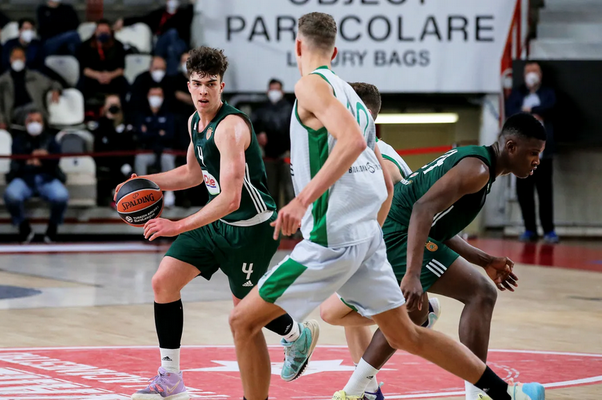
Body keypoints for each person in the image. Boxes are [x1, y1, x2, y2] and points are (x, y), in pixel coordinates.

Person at [228, 12, 546, 400]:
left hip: (331, 241)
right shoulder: (355, 102)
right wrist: (372, 233)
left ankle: (304, 348)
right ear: (335, 51)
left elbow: (351, 143)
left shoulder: (310, 85)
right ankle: (505, 394)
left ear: (298, 46)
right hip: (365, 240)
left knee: (242, 321)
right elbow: (383, 182)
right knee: (408, 334)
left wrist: (301, 199)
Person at [116, 46, 312, 400]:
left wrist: (177, 225)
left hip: (250, 229)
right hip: (214, 222)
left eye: (211, 83)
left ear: (222, 86)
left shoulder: (231, 128)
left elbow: (232, 199)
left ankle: (297, 335)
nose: (203, 91)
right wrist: (144, 182)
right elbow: (192, 174)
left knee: (245, 314)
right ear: (188, 86)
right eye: (197, 84)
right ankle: (171, 377)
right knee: (163, 282)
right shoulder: (195, 121)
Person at [320, 82, 528, 400]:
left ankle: (359, 391)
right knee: (340, 314)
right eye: (534, 153)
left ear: (365, 114)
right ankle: (361, 388)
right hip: (380, 241)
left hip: (386, 240)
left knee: (469, 295)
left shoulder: (379, 155)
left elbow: (423, 217)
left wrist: (419, 271)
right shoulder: (475, 166)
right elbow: (421, 213)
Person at [506, 62, 558, 243]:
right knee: (524, 193)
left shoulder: (547, 92)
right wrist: (529, 114)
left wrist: (531, 110)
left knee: (545, 193)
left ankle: (549, 230)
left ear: (540, 74)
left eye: (535, 71)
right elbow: (511, 110)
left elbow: (551, 107)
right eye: (528, 71)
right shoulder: (518, 93)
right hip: (522, 154)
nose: (531, 74)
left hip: (544, 153)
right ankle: (530, 229)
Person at [4, 110, 68, 243]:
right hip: (24, 178)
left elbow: (56, 160)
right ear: (25, 123)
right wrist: (35, 159)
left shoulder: (50, 139)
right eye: (31, 121)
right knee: (11, 195)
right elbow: (18, 161)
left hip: (47, 178)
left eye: (38, 121)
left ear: (43, 123)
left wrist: (43, 158)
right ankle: (23, 227)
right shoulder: (18, 140)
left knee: (61, 196)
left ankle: (52, 228)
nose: (34, 124)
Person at [113, 0, 192, 75]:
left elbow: (187, 30)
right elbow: (142, 19)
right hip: (160, 45)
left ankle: (171, 76)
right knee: (172, 35)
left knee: (172, 47)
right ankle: (170, 72)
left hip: (178, 45)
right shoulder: (159, 14)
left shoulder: (183, 14)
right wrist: (124, 21)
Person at [0, 47, 62, 130]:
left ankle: (37, 126)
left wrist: (55, 90)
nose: (18, 60)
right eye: (15, 58)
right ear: (10, 59)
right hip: (16, 111)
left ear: (24, 59)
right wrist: (0, 121)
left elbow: (54, 83)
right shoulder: (2, 80)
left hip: (36, 108)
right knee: (33, 114)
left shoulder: (35, 76)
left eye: (20, 58)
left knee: (36, 113)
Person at [251, 78, 293, 208]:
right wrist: (258, 133)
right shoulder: (261, 110)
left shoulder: (289, 109)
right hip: (268, 156)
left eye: (277, 89)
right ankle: (273, 217)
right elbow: (251, 126)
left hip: (286, 155)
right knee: (270, 190)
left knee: (289, 190)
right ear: (268, 91)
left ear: (282, 92)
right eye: (272, 89)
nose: (274, 92)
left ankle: (289, 218)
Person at [134, 86, 177, 207]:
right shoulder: (142, 114)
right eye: (153, 95)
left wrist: (150, 131)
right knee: (140, 158)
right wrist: (159, 132)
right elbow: (141, 136)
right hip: (148, 150)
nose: (155, 98)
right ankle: (142, 193)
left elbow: (170, 135)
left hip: (164, 150)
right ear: (148, 96)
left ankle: (169, 193)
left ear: (163, 97)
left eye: (158, 95)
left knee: (167, 158)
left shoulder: (168, 114)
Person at [93, 94, 135, 206]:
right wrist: (108, 121)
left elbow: (129, 143)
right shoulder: (101, 123)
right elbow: (101, 143)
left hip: (124, 156)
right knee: (114, 154)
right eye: (110, 105)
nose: (113, 108)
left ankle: (122, 194)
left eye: (116, 105)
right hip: (105, 157)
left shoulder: (126, 121)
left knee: (120, 152)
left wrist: (118, 121)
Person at [76, 19, 128, 104]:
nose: (103, 34)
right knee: (82, 83)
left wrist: (110, 76)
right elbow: (84, 69)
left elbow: (121, 69)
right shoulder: (85, 45)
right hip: (93, 77)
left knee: (124, 83)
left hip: (112, 77)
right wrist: (98, 76)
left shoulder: (118, 45)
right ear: (95, 32)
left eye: (106, 31)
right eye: (100, 31)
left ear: (110, 32)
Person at [127, 56, 176, 121]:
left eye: (162, 69)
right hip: (142, 114)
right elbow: (135, 101)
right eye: (156, 68)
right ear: (150, 68)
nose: (159, 71)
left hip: (165, 115)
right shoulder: (141, 79)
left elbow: (171, 102)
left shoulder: (169, 81)